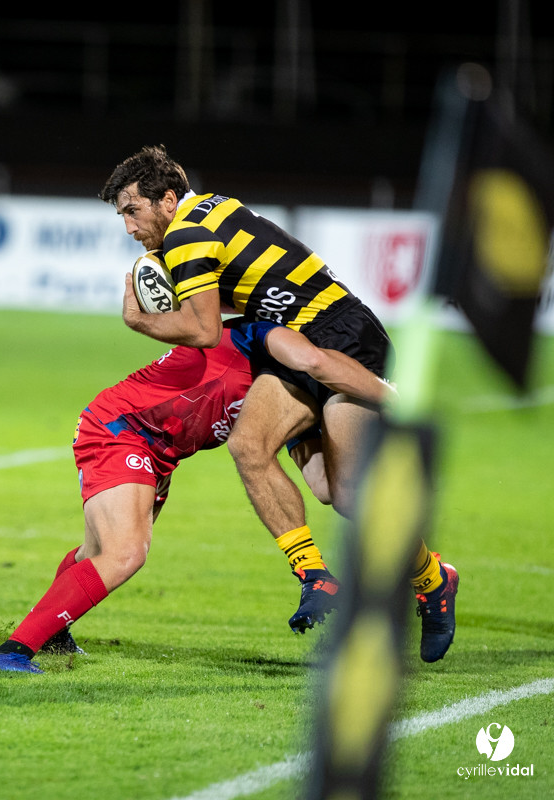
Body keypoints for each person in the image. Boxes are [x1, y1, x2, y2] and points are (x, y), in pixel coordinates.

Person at [98, 145, 458, 662]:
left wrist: (140, 320)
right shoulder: (210, 210)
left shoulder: (186, 234)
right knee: (250, 448)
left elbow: (202, 330)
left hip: (343, 338)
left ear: (168, 199)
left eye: (132, 211)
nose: (129, 228)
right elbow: (230, 302)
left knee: (348, 494)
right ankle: (316, 577)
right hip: (293, 341)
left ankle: (433, 579)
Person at [0, 308, 396, 672]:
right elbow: (313, 358)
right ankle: (13, 652)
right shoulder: (261, 335)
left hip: (159, 450)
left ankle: (52, 632)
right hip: (123, 429)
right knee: (125, 553)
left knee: (97, 554)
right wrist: (388, 395)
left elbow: (322, 484)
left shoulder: (285, 399)